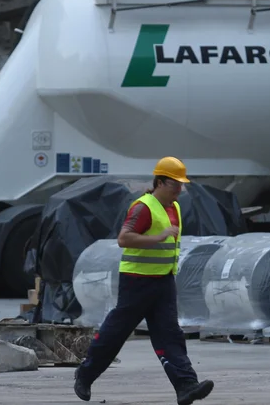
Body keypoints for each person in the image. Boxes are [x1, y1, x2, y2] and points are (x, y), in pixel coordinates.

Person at [73, 156, 214, 405]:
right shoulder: (143, 207)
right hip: (137, 282)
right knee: (116, 333)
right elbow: (124, 239)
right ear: (159, 182)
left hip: (163, 282)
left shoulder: (174, 207)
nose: (180, 190)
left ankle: (186, 386)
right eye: (175, 184)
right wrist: (158, 237)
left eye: (182, 185)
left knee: (170, 334)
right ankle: (85, 374)